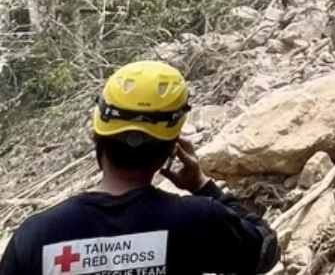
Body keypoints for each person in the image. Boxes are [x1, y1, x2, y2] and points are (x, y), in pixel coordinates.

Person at [0, 60, 280, 275]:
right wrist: (201, 184)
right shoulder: (199, 220)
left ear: (98, 135)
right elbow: (265, 249)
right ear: (172, 148)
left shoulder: (36, 236)